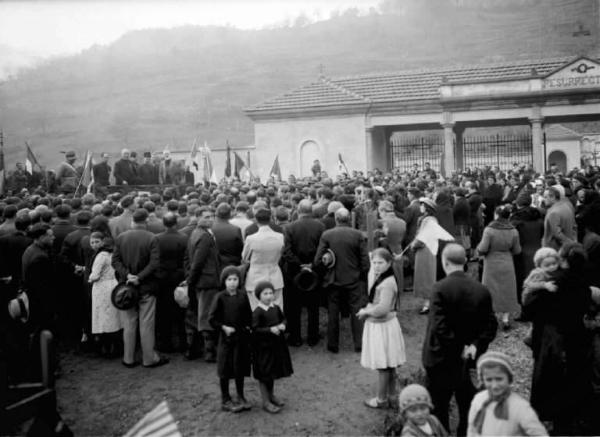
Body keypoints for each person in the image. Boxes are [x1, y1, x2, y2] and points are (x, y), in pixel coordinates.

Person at [422, 243, 498, 436]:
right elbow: (490, 325)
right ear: (465, 262)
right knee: (467, 404)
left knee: (439, 405)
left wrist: (458, 347)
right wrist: (474, 345)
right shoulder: (481, 289)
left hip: (440, 357)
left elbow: (439, 326)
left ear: (444, 262)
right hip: (469, 360)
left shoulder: (439, 288)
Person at [524, 242, 593, 435]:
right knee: (570, 379)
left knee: (546, 379)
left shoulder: (553, 282)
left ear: (563, 260)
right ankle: (568, 420)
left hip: (548, 337)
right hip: (575, 336)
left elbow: (529, 308)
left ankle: (546, 419)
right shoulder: (583, 281)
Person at [112, 208, 167, 368]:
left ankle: (128, 358)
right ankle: (149, 358)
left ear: (132, 221)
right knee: (146, 323)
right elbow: (155, 263)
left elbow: (115, 260)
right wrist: (139, 277)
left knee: (129, 323)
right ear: (146, 221)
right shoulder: (152, 238)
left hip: (126, 287)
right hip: (146, 287)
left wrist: (128, 275)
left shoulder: (121, 237)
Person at [314, 207, 370, 353]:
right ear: (348, 219)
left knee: (333, 312)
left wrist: (326, 272)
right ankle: (359, 343)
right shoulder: (357, 234)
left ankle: (333, 344)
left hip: (334, 279)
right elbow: (365, 260)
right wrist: (362, 275)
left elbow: (318, 260)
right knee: (356, 311)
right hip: (354, 278)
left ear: (336, 219)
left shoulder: (327, 234)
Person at [357, 248, 406, 409]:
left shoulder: (387, 283)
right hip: (385, 325)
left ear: (389, 263)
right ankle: (392, 396)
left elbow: (382, 309)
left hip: (383, 326)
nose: (376, 266)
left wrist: (366, 311)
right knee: (389, 364)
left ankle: (381, 399)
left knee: (383, 366)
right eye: (374, 263)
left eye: (381, 263)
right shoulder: (383, 277)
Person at [467, 351, 547, 437]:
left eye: (499, 379)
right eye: (489, 380)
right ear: (482, 380)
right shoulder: (478, 400)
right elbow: (472, 430)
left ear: (509, 379)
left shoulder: (519, 407)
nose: (494, 386)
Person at [208, 266, 253, 413]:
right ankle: (225, 399)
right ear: (224, 281)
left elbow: (248, 315)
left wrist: (248, 327)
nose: (232, 282)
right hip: (226, 340)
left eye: (235, 279)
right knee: (225, 369)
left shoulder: (243, 296)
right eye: (229, 279)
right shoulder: (220, 297)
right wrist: (224, 327)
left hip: (241, 339)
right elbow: (212, 319)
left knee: (239, 366)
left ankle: (240, 395)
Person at [282, 199, 325, 347]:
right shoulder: (320, 226)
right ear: (311, 211)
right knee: (313, 306)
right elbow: (322, 249)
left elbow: (286, 251)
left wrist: (299, 265)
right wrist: (311, 265)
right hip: (314, 271)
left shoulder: (289, 227)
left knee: (294, 306)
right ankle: (313, 337)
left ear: (298, 210)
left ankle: (296, 337)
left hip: (295, 272)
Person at [476, 206, 521, 330]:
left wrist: (479, 250)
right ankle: (506, 319)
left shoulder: (489, 230)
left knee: (491, 289)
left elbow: (482, 249)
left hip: (491, 263)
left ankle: (492, 318)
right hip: (507, 262)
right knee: (507, 289)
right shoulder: (513, 230)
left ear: (497, 215)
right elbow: (517, 250)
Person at [251, 280, 293, 414]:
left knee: (273, 372)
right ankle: (265, 401)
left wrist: (283, 325)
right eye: (265, 293)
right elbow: (255, 329)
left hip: (276, 346)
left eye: (271, 293)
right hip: (263, 348)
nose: (269, 296)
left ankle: (272, 395)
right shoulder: (258, 312)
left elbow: (284, 319)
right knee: (264, 374)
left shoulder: (276, 308)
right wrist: (270, 330)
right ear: (259, 296)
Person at [185, 206, 220, 362]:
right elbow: (198, 262)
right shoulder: (204, 236)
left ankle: (199, 349)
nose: (210, 219)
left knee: (201, 314)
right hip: (207, 281)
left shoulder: (196, 233)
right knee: (206, 316)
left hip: (202, 280)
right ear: (197, 218)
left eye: (212, 216)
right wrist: (190, 281)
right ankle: (209, 351)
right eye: (206, 216)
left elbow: (188, 259)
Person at [411, 198, 453, 315]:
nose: (420, 206)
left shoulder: (429, 221)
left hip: (425, 250)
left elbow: (422, 238)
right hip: (426, 249)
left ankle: (428, 304)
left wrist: (413, 246)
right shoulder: (429, 219)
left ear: (426, 207)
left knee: (426, 276)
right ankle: (428, 302)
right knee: (426, 275)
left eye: (422, 205)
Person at [155, 212, 188, 353]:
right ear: (176, 223)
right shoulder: (184, 238)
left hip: (162, 278)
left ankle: (165, 344)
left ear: (164, 223)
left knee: (164, 312)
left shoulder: (157, 238)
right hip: (179, 277)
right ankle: (182, 343)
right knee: (181, 311)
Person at [242, 208, 285, 311]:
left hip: (255, 276)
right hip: (275, 274)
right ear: (270, 219)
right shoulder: (280, 237)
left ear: (256, 220)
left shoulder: (251, 239)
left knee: (256, 308)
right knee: (277, 307)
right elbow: (281, 254)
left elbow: (244, 257)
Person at [88, 231, 121, 357]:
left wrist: (89, 278)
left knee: (103, 316)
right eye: (92, 242)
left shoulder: (100, 256)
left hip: (102, 287)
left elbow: (95, 275)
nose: (94, 245)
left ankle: (106, 347)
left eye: (97, 242)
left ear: (103, 241)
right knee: (113, 315)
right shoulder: (111, 252)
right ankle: (115, 345)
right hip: (113, 284)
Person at [541, 186, 576, 250]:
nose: (543, 199)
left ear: (553, 197)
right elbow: (574, 226)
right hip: (568, 245)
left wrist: (571, 244)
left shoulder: (553, 212)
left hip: (556, 249)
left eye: (545, 197)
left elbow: (557, 234)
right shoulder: (567, 206)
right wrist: (574, 241)